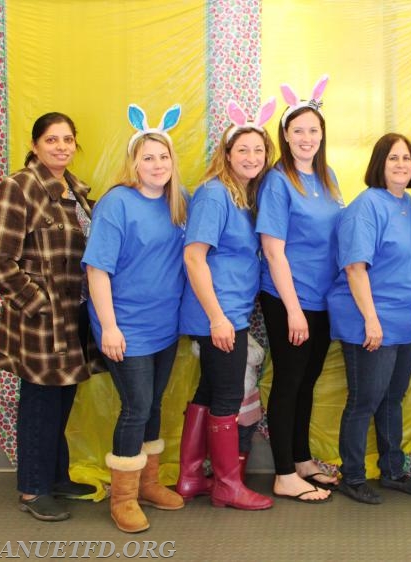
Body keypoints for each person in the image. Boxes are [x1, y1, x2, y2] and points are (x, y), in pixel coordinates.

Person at [0, 112, 99, 522]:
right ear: (35, 145)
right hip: (41, 321)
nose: (62, 147)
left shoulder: (76, 190)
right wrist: (38, 304)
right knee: (40, 402)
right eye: (52, 140)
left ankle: (57, 477)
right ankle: (33, 490)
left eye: (68, 139)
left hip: (74, 316)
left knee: (62, 397)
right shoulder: (20, 187)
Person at [84, 104, 188, 533]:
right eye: (148, 157)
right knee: (136, 405)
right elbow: (97, 270)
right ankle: (122, 497)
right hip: (125, 325)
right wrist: (109, 326)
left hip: (165, 325)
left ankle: (148, 483)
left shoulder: (179, 201)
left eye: (163, 156)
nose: (157, 164)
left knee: (154, 403)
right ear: (133, 163)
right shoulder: (116, 204)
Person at [177, 98, 277, 511]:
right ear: (227, 154)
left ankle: (189, 478)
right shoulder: (215, 194)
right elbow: (193, 256)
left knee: (209, 389)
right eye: (243, 150)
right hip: (218, 314)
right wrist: (218, 318)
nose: (251, 157)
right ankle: (228, 485)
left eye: (258, 150)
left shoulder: (244, 196)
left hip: (229, 311)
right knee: (228, 397)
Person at [256, 75, 343, 503]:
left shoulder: (327, 178)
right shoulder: (278, 181)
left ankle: (302, 458)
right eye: (297, 131)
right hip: (289, 299)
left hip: (324, 300)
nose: (306, 137)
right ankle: (283, 472)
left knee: (307, 381)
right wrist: (292, 309)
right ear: (285, 137)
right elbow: (273, 251)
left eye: (313, 130)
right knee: (288, 382)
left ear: (322, 133)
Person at [327, 133, 411, 505]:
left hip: (403, 320)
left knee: (392, 399)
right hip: (373, 320)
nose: (401, 164)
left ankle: (393, 470)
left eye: (406, 157)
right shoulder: (366, 206)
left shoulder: (408, 203)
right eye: (392, 158)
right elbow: (355, 268)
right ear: (378, 165)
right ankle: (351, 477)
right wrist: (371, 319)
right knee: (364, 400)